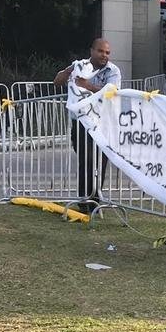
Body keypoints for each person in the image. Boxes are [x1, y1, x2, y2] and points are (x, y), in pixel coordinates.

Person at [54, 38, 121, 214]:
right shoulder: (80, 66)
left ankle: (96, 202)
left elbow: (111, 92)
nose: (104, 55)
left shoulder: (113, 71)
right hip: (81, 122)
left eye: (107, 52)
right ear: (91, 51)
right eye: (100, 51)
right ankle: (85, 201)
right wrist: (69, 70)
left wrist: (87, 85)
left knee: (101, 162)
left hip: (103, 123)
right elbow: (57, 81)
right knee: (86, 161)